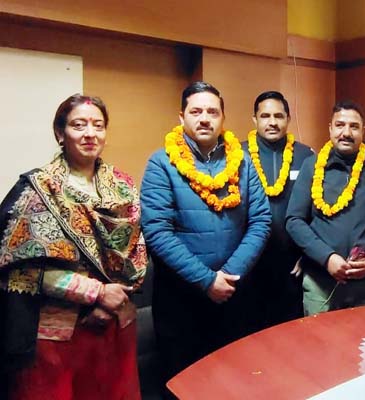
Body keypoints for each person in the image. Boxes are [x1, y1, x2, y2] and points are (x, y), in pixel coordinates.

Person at [0, 94, 148, 399]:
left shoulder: (122, 185)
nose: (90, 134)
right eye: (79, 125)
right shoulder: (39, 190)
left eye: (98, 125)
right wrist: (97, 295)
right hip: (57, 334)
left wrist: (111, 302)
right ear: (60, 133)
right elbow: (21, 269)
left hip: (117, 322)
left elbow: (137, 252)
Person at [140, 81, 271, 389]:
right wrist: (207, 281)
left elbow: (261, 220)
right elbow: (157, 232)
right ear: (181, 117)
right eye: (196, 111)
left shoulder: (242, 162)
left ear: (223, 118)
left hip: (234, 294)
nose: (204, 119)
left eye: (212, 112)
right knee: (184, 383)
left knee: (233, 380)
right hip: (181, 299)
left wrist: (230, 275)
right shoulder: (161, 163)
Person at [286, 100, 365, 315]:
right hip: (320, 283)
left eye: (354, 126)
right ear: (330, 128)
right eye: (340, 125)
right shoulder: (312, 166)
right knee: (320, 337)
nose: (346, 133)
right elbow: (294, 220)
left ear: (363, 130)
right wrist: (327, 257)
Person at [242, 91, 314, 330]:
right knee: (250, 332)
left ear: (288, 119)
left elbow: (317, 210)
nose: (272, 122)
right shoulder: (237, 155)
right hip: (249, 263)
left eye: (278, 116)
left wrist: (309, 253)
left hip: (293, 264)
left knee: (290, 330)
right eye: (265, 116)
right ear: (254, 119)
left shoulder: (306, 156)